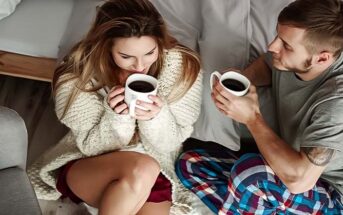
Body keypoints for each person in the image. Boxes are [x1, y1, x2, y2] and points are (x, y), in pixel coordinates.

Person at [28, 0, 203, 214]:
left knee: (148, 169)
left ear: (160, 43)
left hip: (157, 173)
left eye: (149, 53)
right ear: (106, 47)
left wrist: (156, 117)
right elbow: (91, 148)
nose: (140, 66)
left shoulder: (183, 68)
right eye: (126, 56)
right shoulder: (76, 75)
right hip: (91, 164)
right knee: (144, 168)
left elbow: (170, 143)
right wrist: (117, 117)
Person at [176, 0, 343, 214]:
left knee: (252, 175)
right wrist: (242, 80)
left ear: (322, 58)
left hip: (330, 194)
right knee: (191, 163)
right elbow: (266, 65)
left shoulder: (335, 103)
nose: (272, 46)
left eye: (286, 45)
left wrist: (252, 118)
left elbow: (299, 181)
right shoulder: (292, 58)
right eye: (277, 37)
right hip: (282, 173)